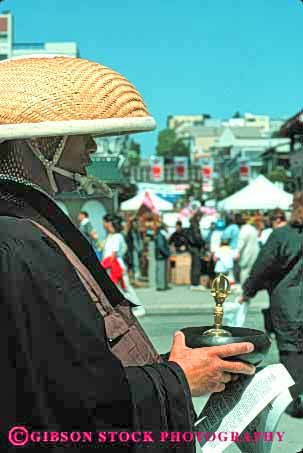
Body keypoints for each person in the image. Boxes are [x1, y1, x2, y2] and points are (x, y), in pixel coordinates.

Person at [0, 55, 256, 450]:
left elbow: (72, 360)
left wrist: (169, 365)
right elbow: (64, 398)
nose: (93, 147)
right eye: (82, 135)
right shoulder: (19, 242)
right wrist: (179, 379)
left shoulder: (28, 226)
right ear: (41, 143)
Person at [239, 192, 303, 418]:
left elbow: (263, 266)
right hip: (292, 303)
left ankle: (298, 403)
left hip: (289, 305)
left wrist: (248, 290)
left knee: (292, 352)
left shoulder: (282, 235)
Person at [102, 214, 146, 317]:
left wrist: (103, 265)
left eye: (104, 222)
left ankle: (139, 307)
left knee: (126, 288)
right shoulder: (111, 236)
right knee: (120, 289)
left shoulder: (117, 237)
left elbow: (113, 254)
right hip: (111, 267)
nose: (103, 224)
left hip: (116, 267)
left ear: (109, 223)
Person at [234, 213, 260, 285]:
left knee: (244, 271)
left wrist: (237, 253)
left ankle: (244, 287)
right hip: (255, 252)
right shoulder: (252, 229)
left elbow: (241, 243)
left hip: (247, 254)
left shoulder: (243, 231)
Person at [185, 212, 207, 291]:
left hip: (192, 247)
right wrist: (203, 242)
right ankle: (195, 283)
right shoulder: (195, 225)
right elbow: (197, 237)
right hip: (195, 247)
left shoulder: (192, 224)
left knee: (194, 265)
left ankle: (194, 283)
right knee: (197, 265)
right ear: (198, 217)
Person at [155, 223, 170, 290]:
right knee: (161, 271)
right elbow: (161, 246)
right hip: (161, 255)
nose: (168, 229)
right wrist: (166, 253)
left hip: (162, 255)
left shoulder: (162, 235)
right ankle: (160, 286)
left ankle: (163, 285)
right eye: (167, 227)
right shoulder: (160, 235)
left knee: (163, 271)